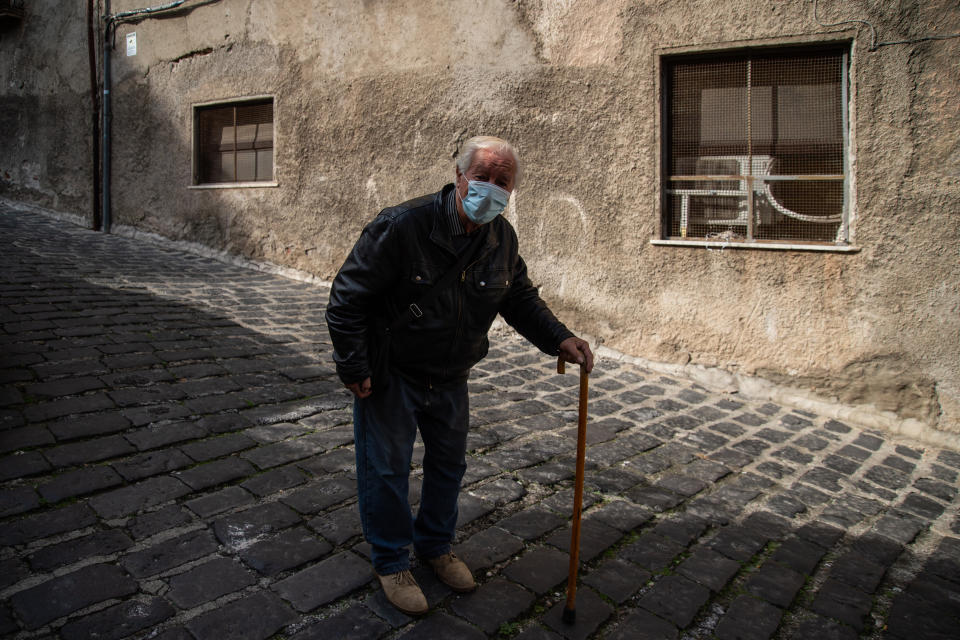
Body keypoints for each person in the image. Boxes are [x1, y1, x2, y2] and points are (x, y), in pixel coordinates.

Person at [325, 135, 594, 615]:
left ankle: (434, 547)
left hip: (451, 375)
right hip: (393, 373)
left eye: (502, 182)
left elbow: (518, 298)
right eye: (483, 177)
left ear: (512, 191)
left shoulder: (501, 237)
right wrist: (353, 364)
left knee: (449, 468)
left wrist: (560, 338)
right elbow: (348, 297)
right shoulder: (403, 225)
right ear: (459, 176)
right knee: (386, 471)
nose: (491, 188)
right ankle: (391, 561)